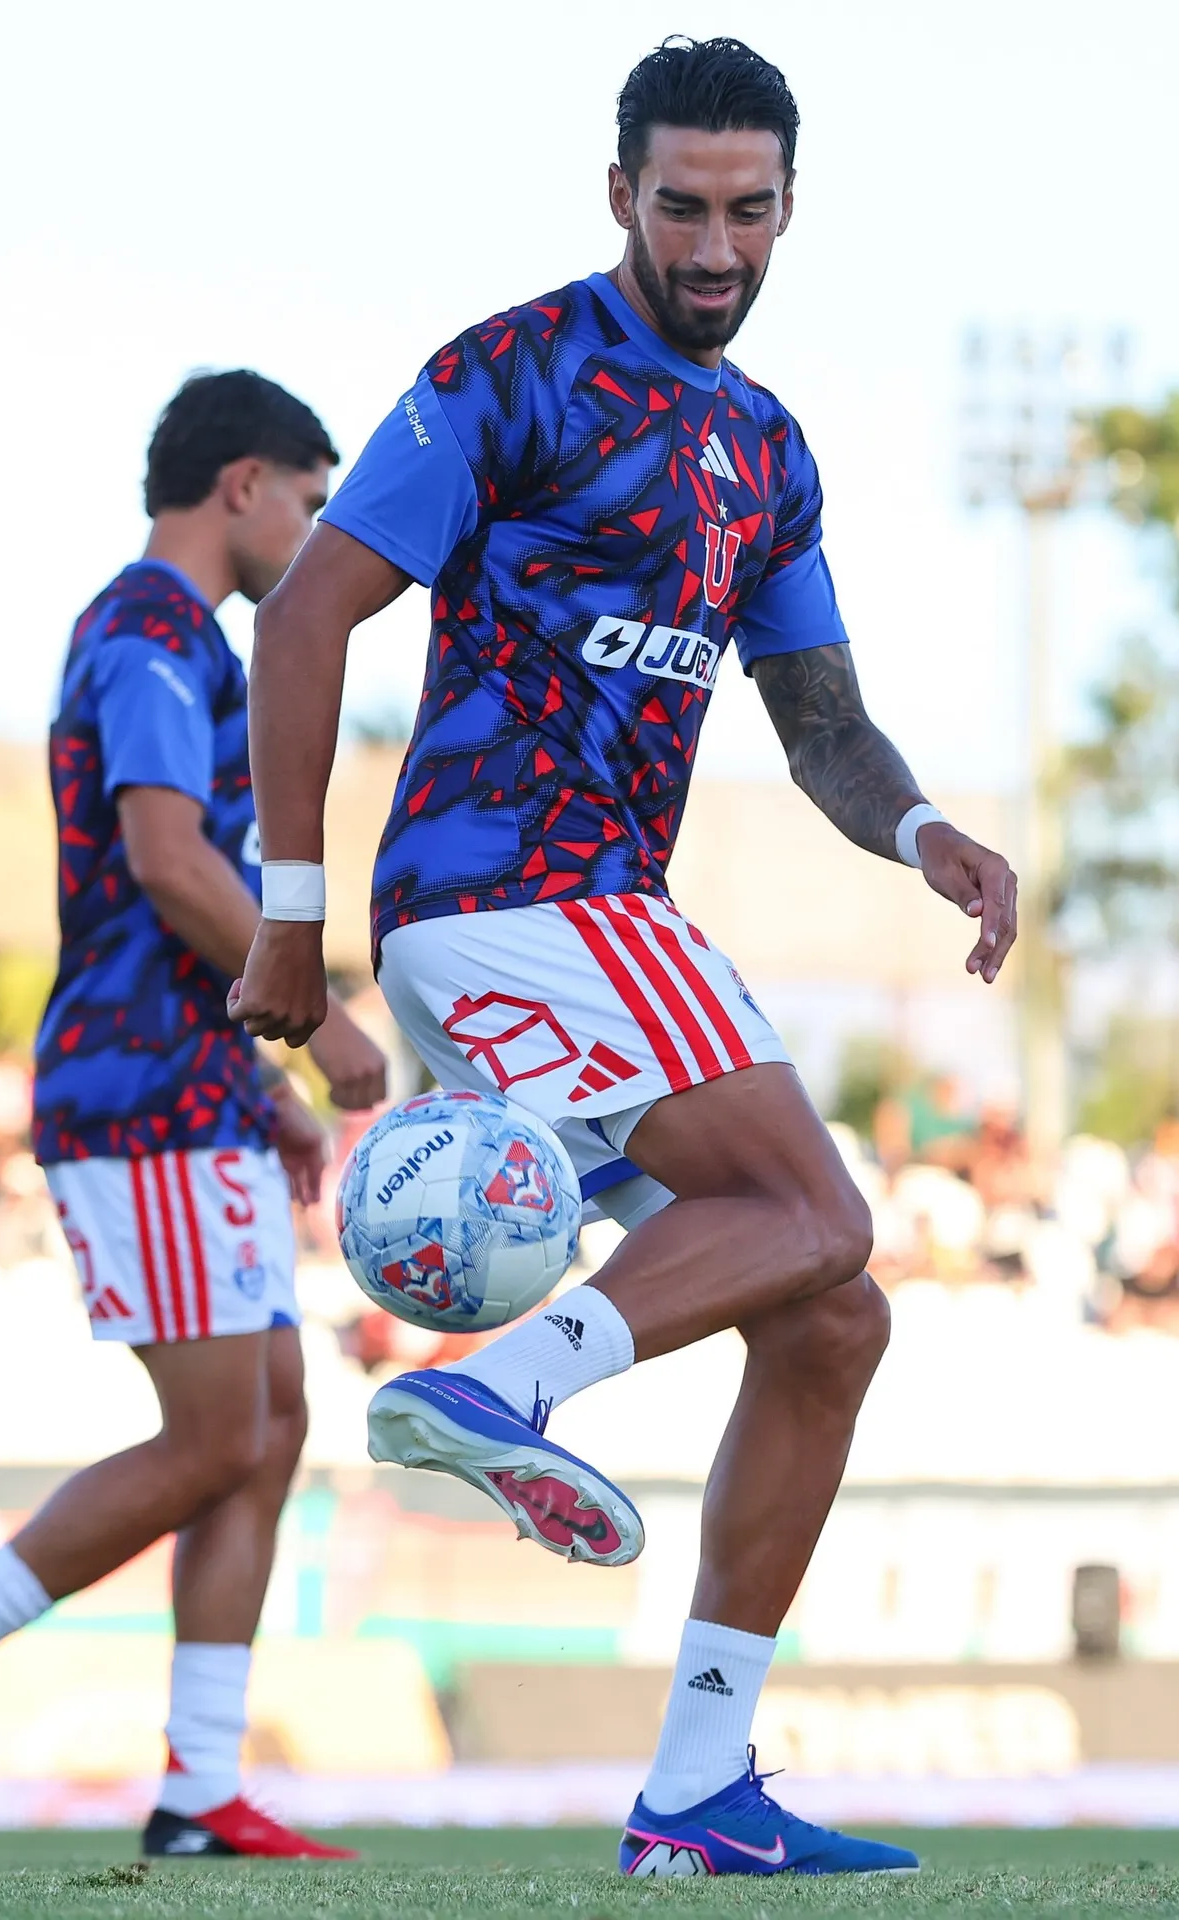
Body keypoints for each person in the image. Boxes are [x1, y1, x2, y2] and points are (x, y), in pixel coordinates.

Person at [232, 36, 1017, 1880]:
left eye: (751, 209)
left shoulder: (767, 454)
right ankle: (497, 1390)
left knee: (834, 1317)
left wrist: (923, 835)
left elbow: (823, 726)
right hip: (516, 896)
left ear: (789, 208)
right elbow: (307, 620)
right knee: (826, 1216)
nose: (718, 243)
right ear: (620, 199)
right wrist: (288, 911)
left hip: (607, 923)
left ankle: (693, 1798)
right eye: (684, 205)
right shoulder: (508, 373)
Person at [0, 371, 387, 1861]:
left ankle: (201, 1788)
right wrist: (323, 1024)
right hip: (137, 1090)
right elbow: (166, 861)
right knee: (217, 1436)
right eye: (313, 502)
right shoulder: (150, 631)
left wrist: (262, 1080)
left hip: (188, 1081)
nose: (318, 534)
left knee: (270, 1426)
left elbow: (180, 893)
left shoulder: (175, 638)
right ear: (246, 486)